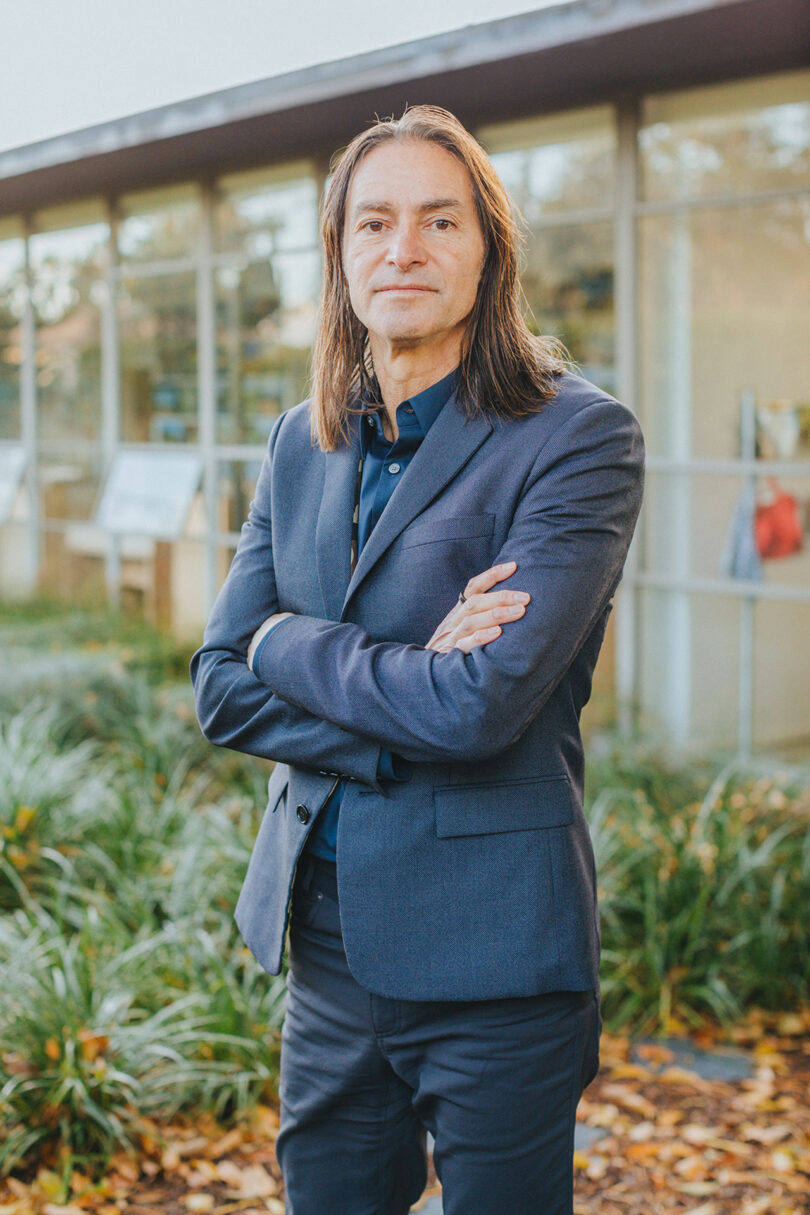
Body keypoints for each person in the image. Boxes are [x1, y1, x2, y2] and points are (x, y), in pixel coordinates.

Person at [191, 105, 644, 1215]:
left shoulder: (576, 438)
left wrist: (289, 642)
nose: (404, 248)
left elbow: (479, 710)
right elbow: (217, 684)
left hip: (493, 950)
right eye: (374, 223)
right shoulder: (302, 441)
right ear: (341, 256)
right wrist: (404, 697)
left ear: (488, 253)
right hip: (328, 942)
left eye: (441, 220)